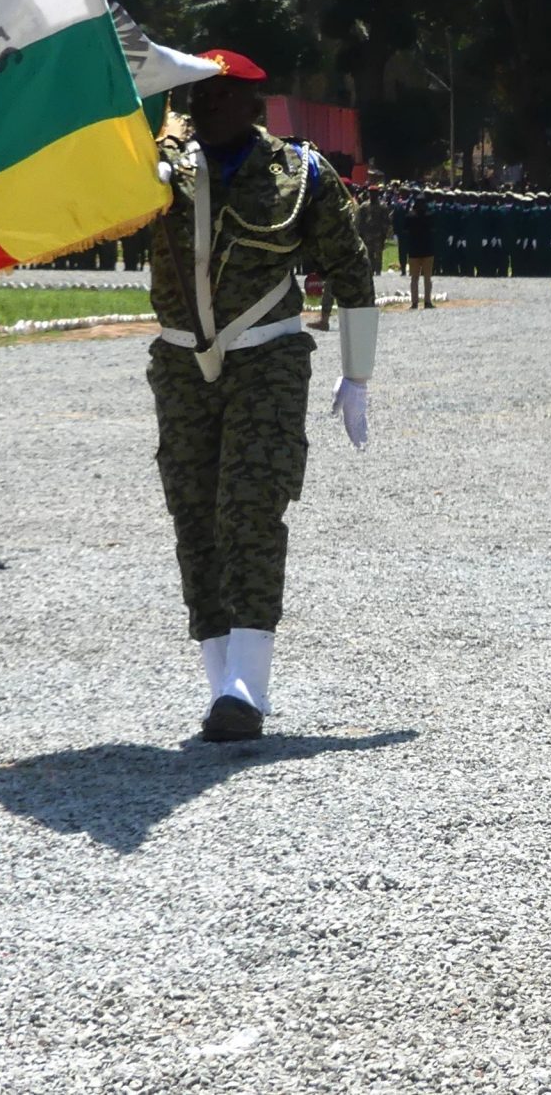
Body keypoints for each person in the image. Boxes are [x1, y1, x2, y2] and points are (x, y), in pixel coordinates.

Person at [147, 51, 379, 743]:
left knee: (249, 505)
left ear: (256, 106)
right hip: (182, 362)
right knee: (194, 514)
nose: (206, 109)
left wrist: (357, 373)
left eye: (222, 98)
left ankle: (249, 686)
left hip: (267, 358)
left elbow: (352, 269)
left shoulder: (299, 174)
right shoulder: (158, 167)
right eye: (197, 97)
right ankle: (220, 681)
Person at [396, 190, 438, 310]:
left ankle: (414, 303)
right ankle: (427, 302)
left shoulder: (410, 216)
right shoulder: (430, 215)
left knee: (414, 279)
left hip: (414, 251)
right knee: (427, 278)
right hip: (428, 250)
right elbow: (434, 229)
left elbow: (405, 230)